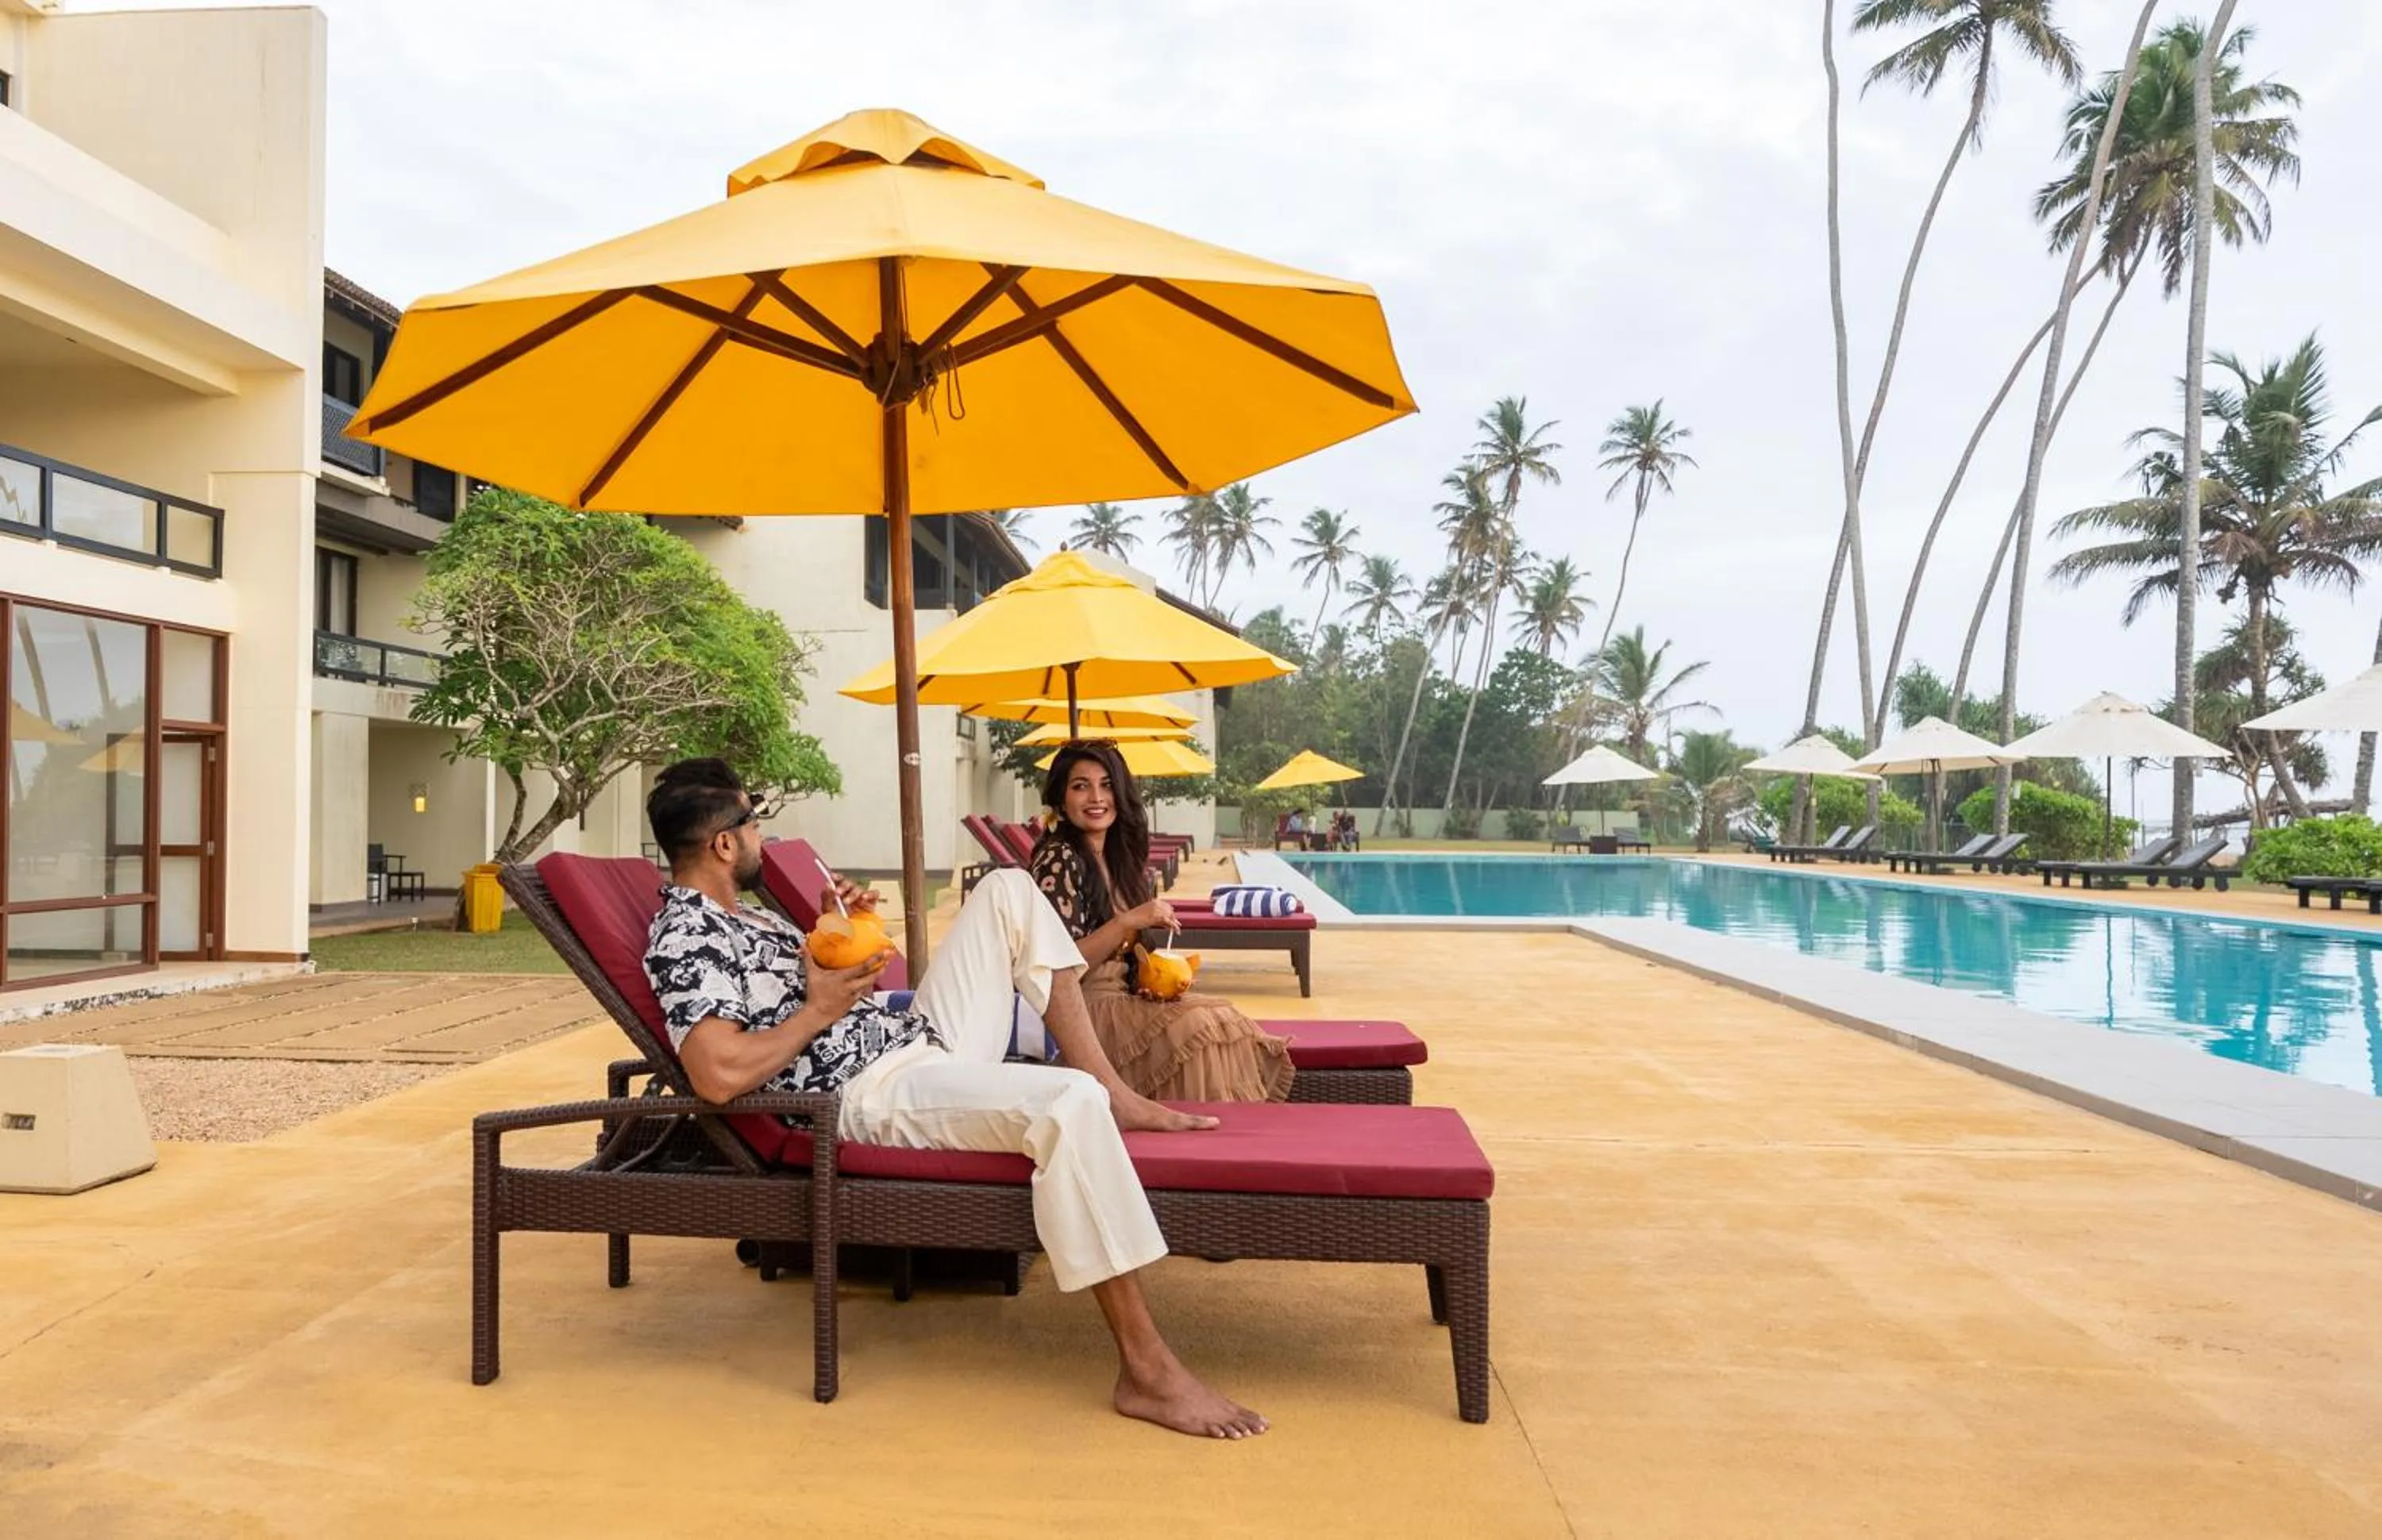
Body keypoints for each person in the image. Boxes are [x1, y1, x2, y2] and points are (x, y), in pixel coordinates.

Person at [640, 758, 1266, 1438]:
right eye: (753, 820)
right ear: (724, 843)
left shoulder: (751, 918)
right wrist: (820, 1009)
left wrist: (837, 931)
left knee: (1008, 889)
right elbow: (717, 1073)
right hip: (868, 1091)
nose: (763, 833)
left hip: (912, 1041)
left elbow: (807, 993)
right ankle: (1146, 1371)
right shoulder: (688, 935)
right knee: (1069, 1102)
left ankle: (1115, 1092)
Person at [1028, 742, 1295, 1103]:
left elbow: (1123, 959)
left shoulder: (1114, 858)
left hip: (1122, 998)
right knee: (1196, 1027)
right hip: (1081, 1013)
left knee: (1222, 1017)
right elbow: (1059, 968)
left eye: (1107, 785)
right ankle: (1193, 1130)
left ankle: (1217, 1129)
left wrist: (1153, 981)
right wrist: (1127, 921)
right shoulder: (1058, 858)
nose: (1097, 798)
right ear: (1061, 800)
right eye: (1080, 786)